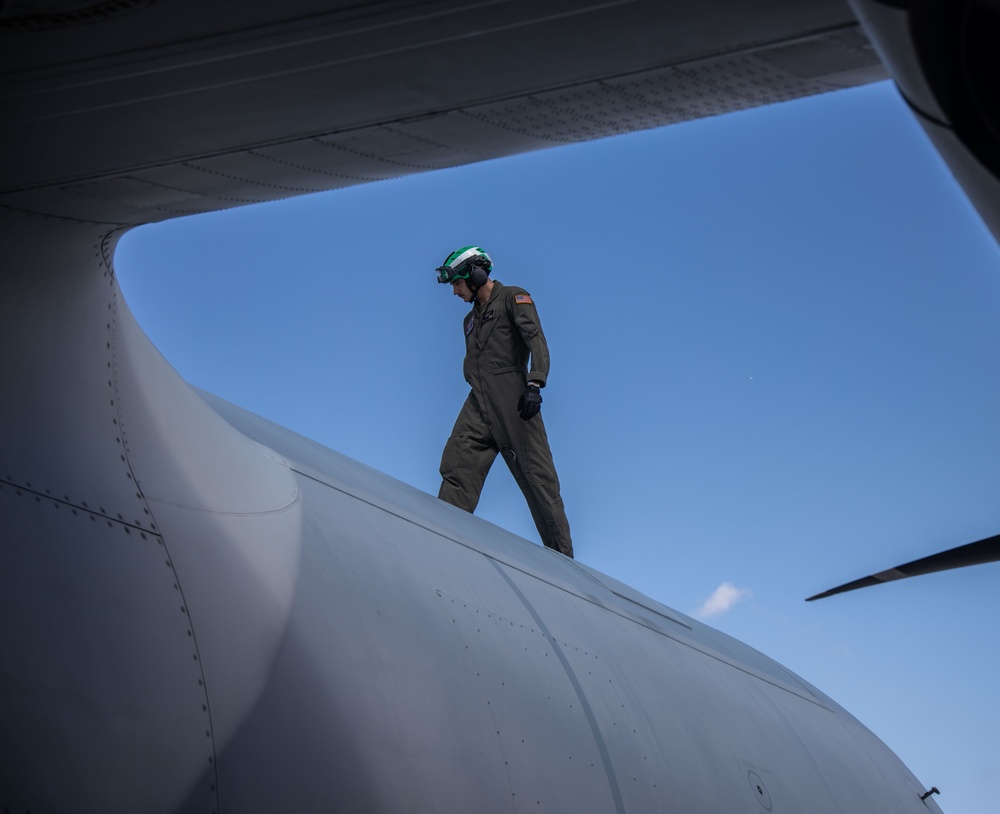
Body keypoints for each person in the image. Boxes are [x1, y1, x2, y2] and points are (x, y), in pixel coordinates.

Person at [435, 246, 574, 558]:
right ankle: (440, 542)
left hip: (514, 400)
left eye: (457, 283)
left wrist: (535, 382)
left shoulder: (513, 297)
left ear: (475, 274)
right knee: (457, 463)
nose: (455, 291)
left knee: (540, 481)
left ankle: (565, 564)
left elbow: (535, 338)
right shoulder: (469, 322)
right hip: (479, 402)